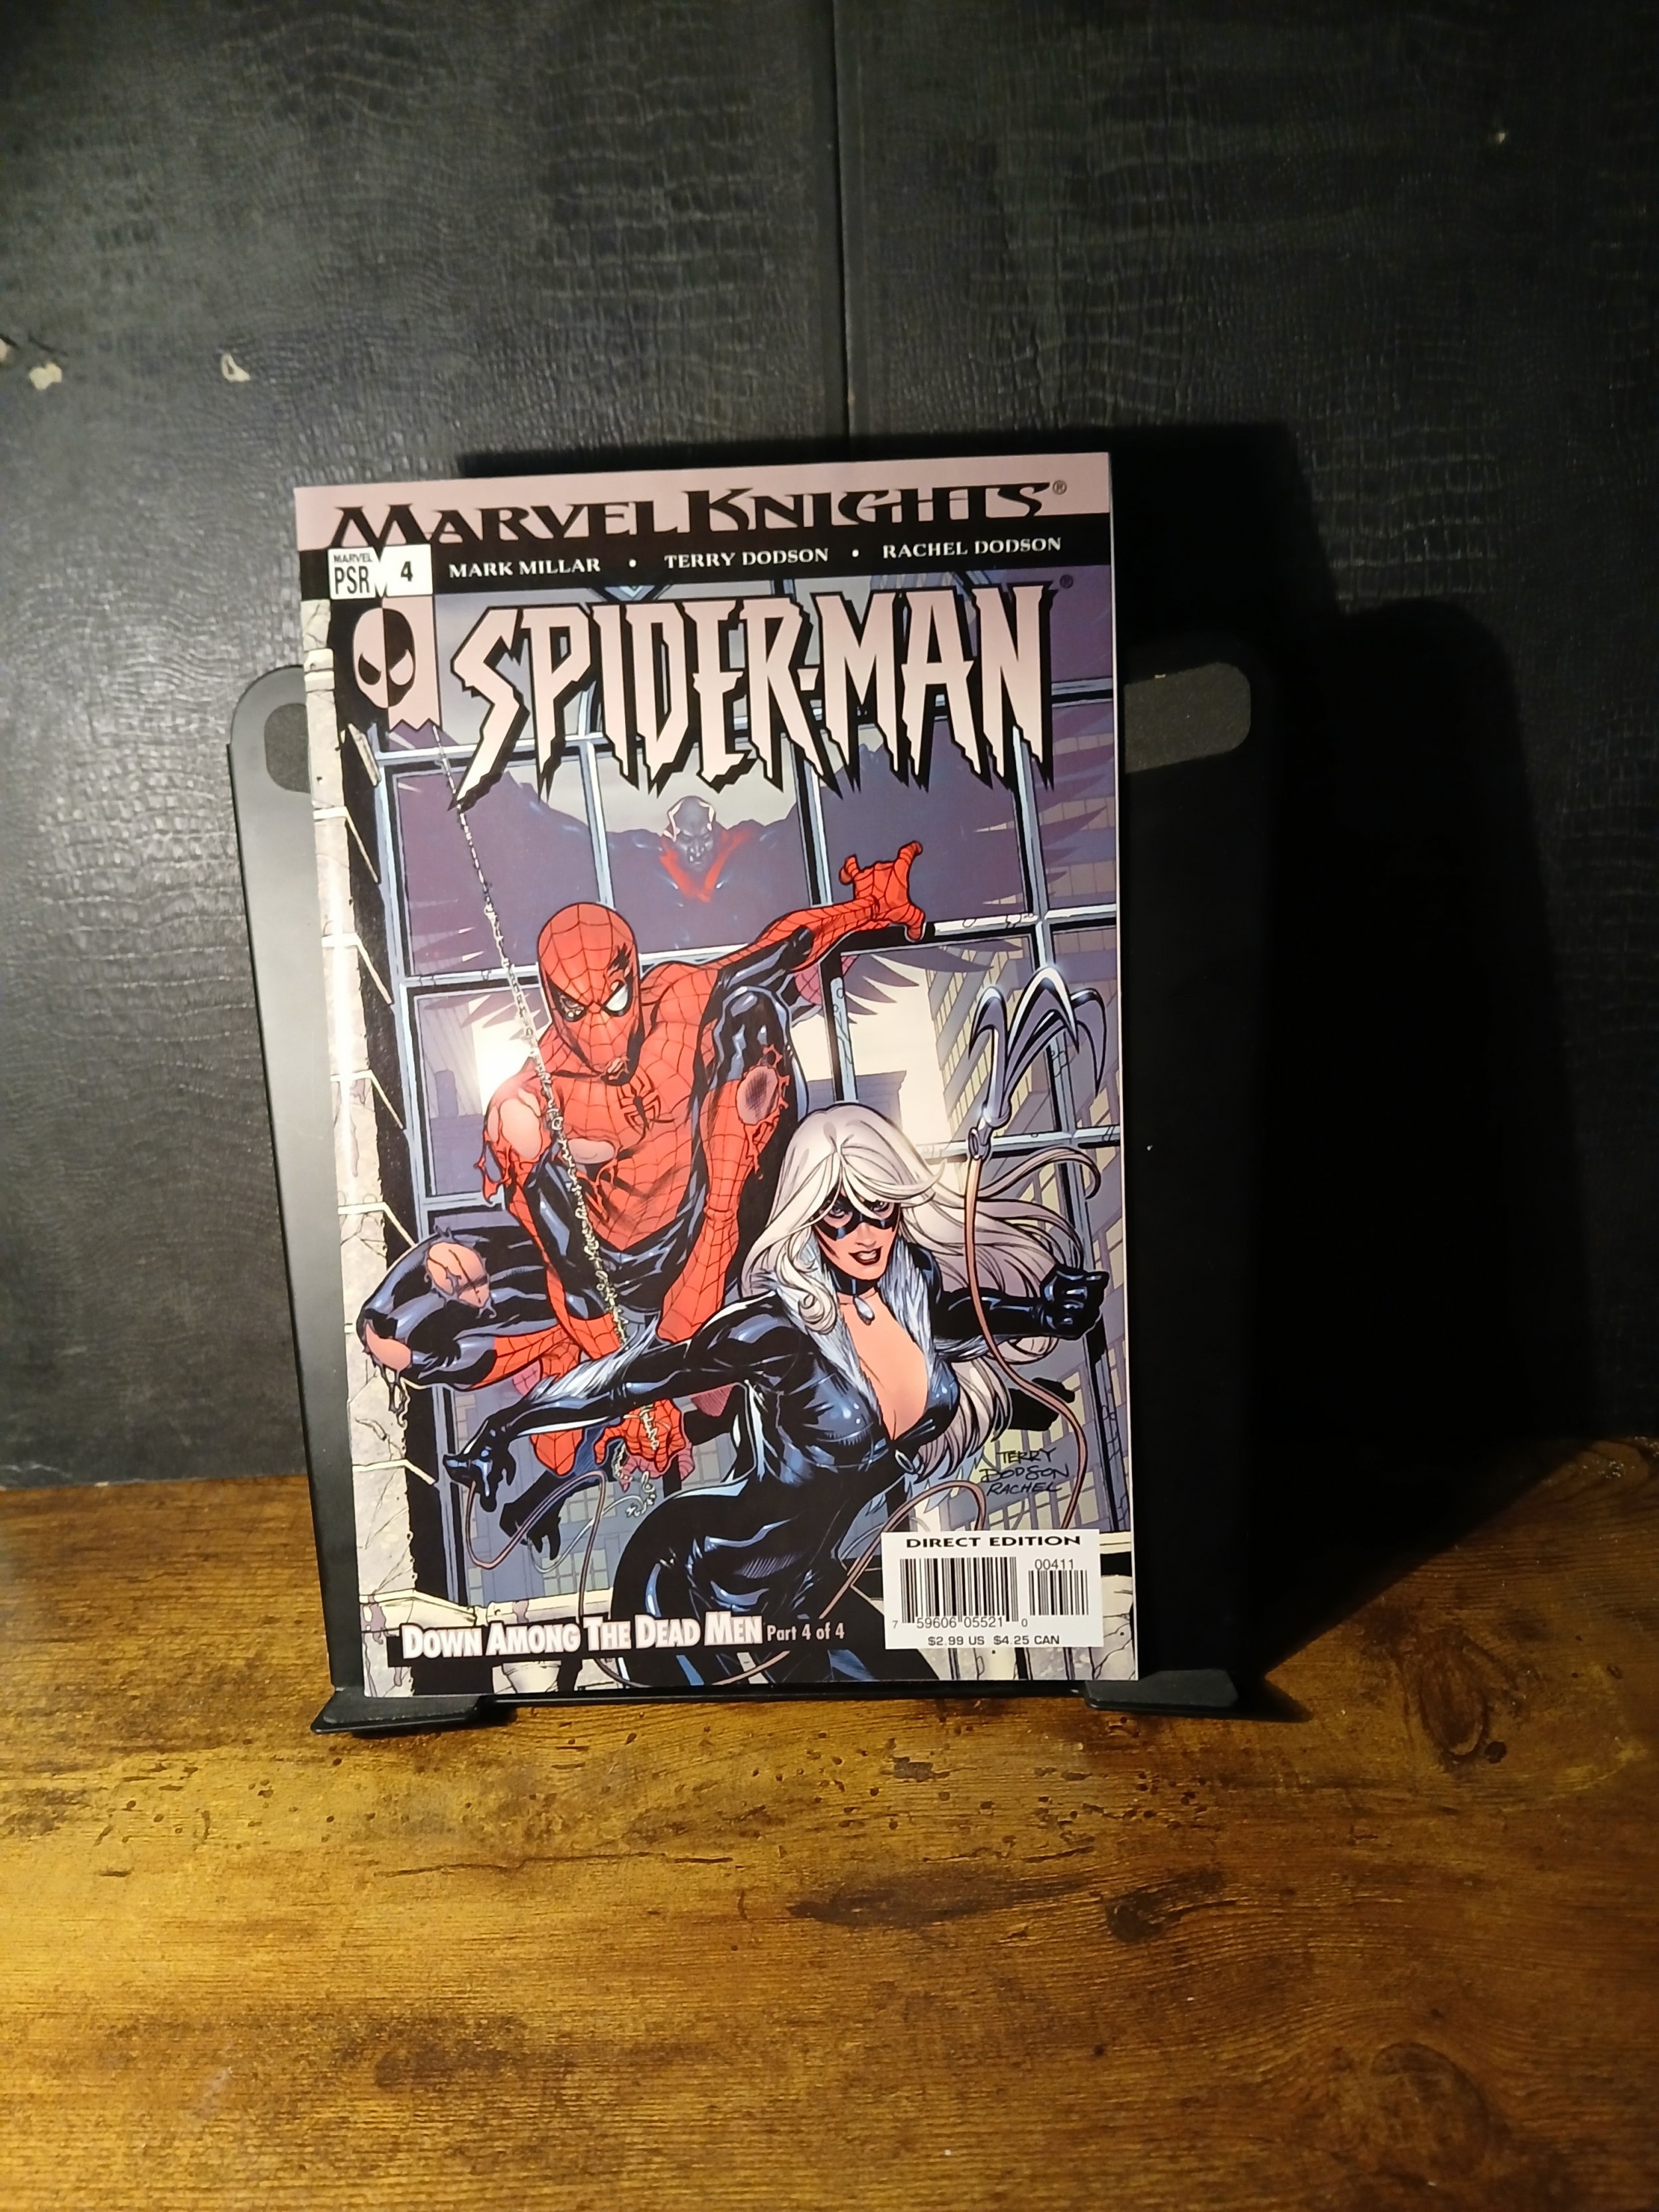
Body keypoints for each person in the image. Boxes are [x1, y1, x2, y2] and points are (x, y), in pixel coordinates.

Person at [444, 1104, 1106, 1686]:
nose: (865, 1234)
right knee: (709, 1749)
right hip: (683, 1577)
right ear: (808, 1216)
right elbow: (633, 1378)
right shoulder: (771, 1329)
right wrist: (507, 1426)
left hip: (804, 1589)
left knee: (913, 1706)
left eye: (878, 1207)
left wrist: (1041, 1314)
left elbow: (955, 1318)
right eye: (839, 1213)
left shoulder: (912, 1289)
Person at [359, 844, 927, 1499]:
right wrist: (628, 1392)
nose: (599, 1029)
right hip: (611, 1265)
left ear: (632, 974)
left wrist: (866, 908)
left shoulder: (683, 1002)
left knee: (749, 1011)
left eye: (614, 998)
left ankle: (711, 1325)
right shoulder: (531, 1101)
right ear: (552, 1003)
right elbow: (573, 1273)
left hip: (713, 1227)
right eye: (576, 1010)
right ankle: (561, 1366)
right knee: (389, 1328)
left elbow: (778, 951)